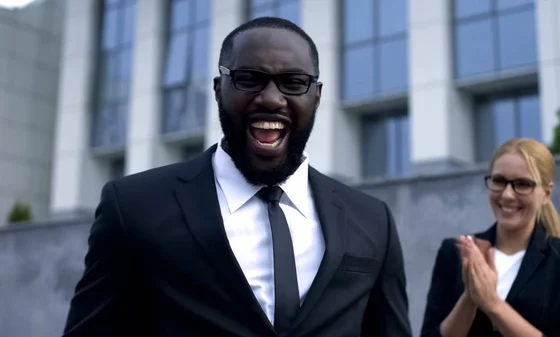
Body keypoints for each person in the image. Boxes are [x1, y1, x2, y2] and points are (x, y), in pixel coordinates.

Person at [62, 17, 412, 337]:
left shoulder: (372, 219)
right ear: (218, 89)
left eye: (293, 83)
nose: (271, 99)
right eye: (249, 79)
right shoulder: (134, 206)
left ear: (316, 96)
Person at [420, 138, 560, 337]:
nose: (508, 195)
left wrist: (493, 304)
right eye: (499, 181)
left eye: (522, 184)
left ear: (546, 193)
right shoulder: (456, 252)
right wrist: (470, 297)